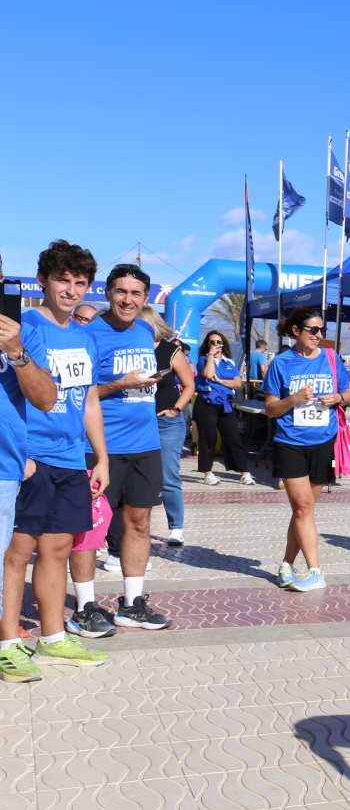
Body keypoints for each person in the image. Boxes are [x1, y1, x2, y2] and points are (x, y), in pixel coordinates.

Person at [0, 240, 110, 682]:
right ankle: (8, 641)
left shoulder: (85, 337)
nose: (71, 290)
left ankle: (52, 636)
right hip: (31, 456)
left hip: (70, 458)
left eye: (80, 283)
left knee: (58, 548)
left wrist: (100, 458)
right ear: (43, 281)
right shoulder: (23, 326)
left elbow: (89, 401)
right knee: (17, 552)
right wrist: (22, 454)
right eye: (62, 280)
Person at [66, 264, 172, 637]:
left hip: (146, 445)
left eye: (136, 293)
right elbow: (81, 393)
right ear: (108, 292)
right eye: (121, 292)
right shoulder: (88, 335)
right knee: (89, 529)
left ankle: (132, 604)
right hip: (100, 449)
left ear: (145, 298)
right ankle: (84, 608)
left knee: (139, 523)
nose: (128, 300)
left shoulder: (144, 331)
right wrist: (118, 384)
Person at [262, 306, 350, 593]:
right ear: (296, 331)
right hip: (290, 443)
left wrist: (337, 397)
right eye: (313, 329)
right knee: (302, 507)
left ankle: (286, 564)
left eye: (322, 330)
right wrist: (294, 399)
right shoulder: (281, 363)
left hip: (323, 442)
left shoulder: (331, 358)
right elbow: (270, 409)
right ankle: (315, 571)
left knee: (305, 511)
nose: (318, 335)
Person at [145, 306, 194, 547]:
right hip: (137, 421)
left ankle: (176, 527)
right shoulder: (131, 349)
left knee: (167, 475)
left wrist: (176, 408)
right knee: (138, 477)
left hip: (166, 422)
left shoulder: (170, 351)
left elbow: (189, 385)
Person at [194, 330, 254, 486]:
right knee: (208, 438)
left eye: (218, 342)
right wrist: (210, 356)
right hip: (207, 402)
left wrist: (220, 381)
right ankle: (207, 472)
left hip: (225, 403)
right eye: (212, 342)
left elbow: (237, 383)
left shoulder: (229, 362)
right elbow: (208, 375)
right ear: (207, 345)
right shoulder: (202, 360)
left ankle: (244, 472)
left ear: (223, 344)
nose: (216, 345)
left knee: (233, 437)